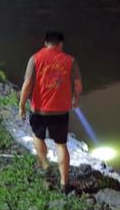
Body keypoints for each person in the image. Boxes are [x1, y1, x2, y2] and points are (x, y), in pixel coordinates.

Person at [18, 31, 83, 192]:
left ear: (45, 43)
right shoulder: (70, 61)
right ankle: (64, 183)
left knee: (37, 136)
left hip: (39, 109)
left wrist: (21, 106)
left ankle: (45, 164)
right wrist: (75, 98)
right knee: (61, 145)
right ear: (60, 44)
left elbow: (27, 84)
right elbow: (78, 84)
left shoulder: (35, 58)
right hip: (60, 110)